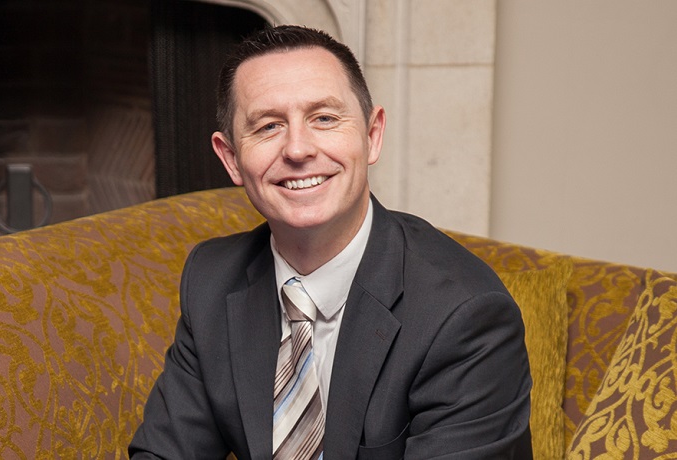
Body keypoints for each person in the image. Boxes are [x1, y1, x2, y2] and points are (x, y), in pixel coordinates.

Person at [130, 25, 532, 459]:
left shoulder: (464, 316)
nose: (298, 149)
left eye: (324, 118)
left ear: (372, 134)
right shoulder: (211, 280)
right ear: (231, 159)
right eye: (268, 126)